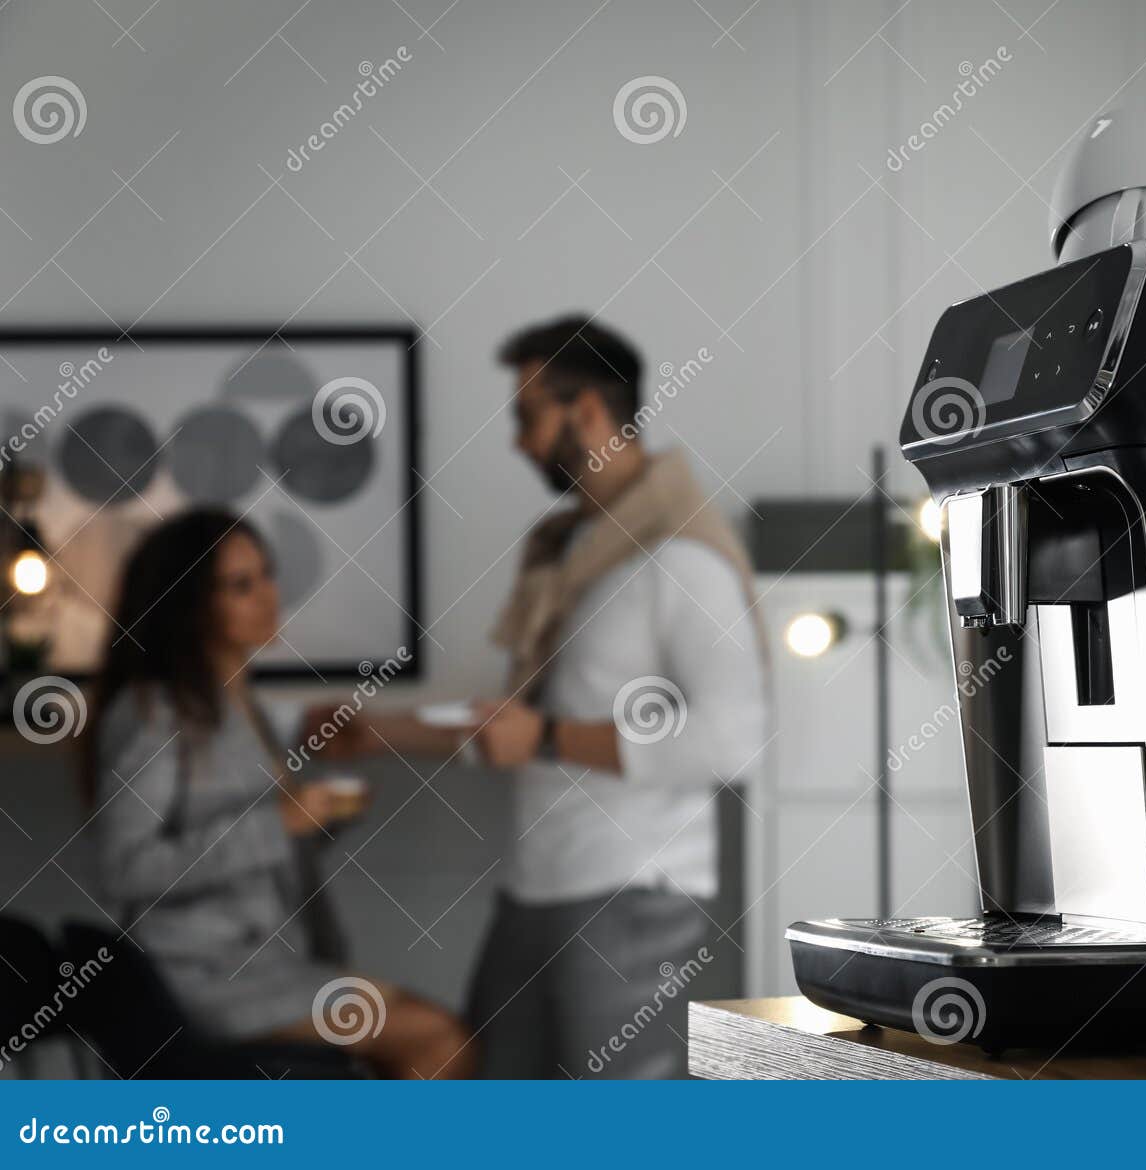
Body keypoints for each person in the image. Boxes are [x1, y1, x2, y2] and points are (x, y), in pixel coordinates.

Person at [310, 315, 769, 1077]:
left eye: (527, 416)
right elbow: (517, 725)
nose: (519, 442)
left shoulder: (682, 560)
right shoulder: (573, 556)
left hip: (631, 895)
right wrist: (377, 730)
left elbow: (732, 742)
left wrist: (550, 739)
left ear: (586, 410)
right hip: (539, 886)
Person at [83, 509, 474, 1079]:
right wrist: (280, 823)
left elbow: (254, 846)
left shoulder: (239, 707)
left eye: (266, 575)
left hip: (263, 962)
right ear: (191, 605)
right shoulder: (155, 714)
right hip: (200, 974)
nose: (269, 596)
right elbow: (124, 868)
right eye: (241, 586)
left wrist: (320, 819)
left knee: (434, 1034)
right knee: (436, 1040)